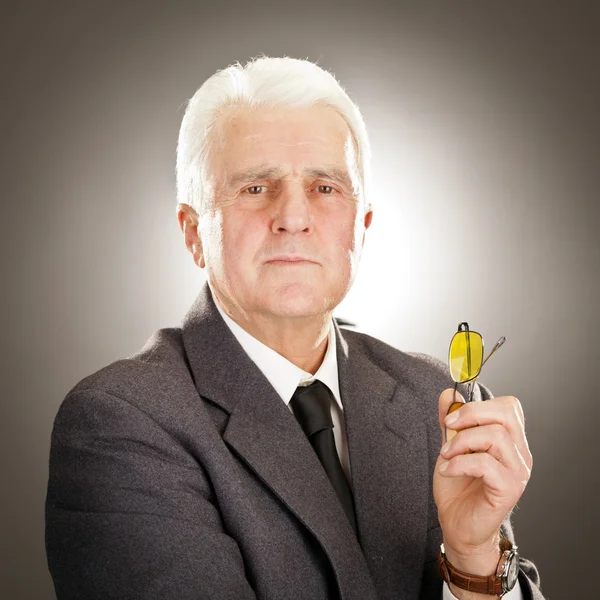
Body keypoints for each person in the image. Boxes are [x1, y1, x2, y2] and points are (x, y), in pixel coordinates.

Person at [45, 56, 545, 600]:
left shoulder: (434, 400)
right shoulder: (121, 423)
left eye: (325, 188)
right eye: (256, 188)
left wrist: (472, 558)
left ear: (363, 228)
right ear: (193, 233)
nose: (293, 217)